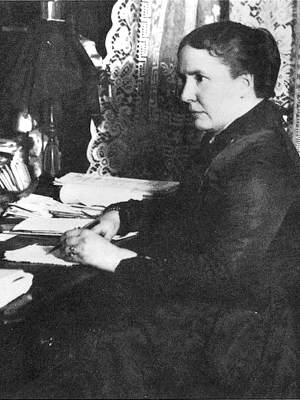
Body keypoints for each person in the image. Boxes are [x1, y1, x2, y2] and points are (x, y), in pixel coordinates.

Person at [16, 21, 300, 399]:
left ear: (244, 84)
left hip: (236, 344)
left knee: (74, 341)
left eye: (200, 79)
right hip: (216, 320)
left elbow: (226, 279)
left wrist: (115, 259)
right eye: (185, 78)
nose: (185, 93)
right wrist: (122, 216)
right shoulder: (238, 136)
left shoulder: (259, 162)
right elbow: (189, 205)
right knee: (68, 317)